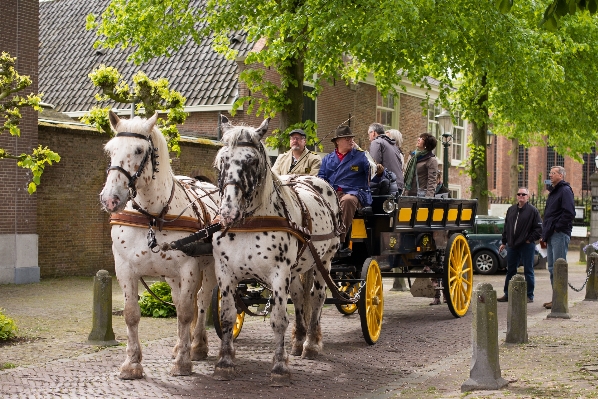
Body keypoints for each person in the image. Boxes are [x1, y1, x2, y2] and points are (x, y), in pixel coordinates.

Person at [318, 125, 372, 255]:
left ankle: (340, 241)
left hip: (353, 193)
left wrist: (379, 171)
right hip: (332, 193)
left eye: (351, 138)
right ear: (337, 141)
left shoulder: (361, 156)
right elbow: (321, 178)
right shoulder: (327, 158)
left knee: (347, 201)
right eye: (347, 138)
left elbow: (373, 171)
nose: (350, 140)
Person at [497, 187, 542, 304]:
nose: (521, 196)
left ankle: (529, 295)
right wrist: (504, 242)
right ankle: (507, 294)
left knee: (528, 270)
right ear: (517, 196)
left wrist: (529, 239)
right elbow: (506, 227)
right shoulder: (511, 210)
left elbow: (538, 228)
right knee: (510, 270)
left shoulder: (533, 211)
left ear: (528, 196)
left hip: (527, 245)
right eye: (519, 194)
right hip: (512, 245)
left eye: (524, 194)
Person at [541, 165, 575, 309]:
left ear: (561, 175)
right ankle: (556, 297)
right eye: (550, 173)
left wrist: (556, 228)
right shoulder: (554, 192)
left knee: (559, 267)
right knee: (551, 268)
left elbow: (569, 213)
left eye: (553, 173)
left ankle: (560, 300)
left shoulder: (565, 190)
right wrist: (545, 233)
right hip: (551, 234)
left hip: (559, 234)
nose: (550, 175)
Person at [368, 123, 404, 194]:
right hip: (398, 184)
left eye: (368, 134)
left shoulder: (376, 142)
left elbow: (374, 166)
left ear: (373, 133)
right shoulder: (393, 145)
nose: (368, 137)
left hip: (386, 185)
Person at [404, 133, 439, 197]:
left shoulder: (431, 160)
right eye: (419, 137)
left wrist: (428, 199)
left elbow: (432, 182)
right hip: (408, 194)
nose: (418, 139)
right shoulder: (413, 156)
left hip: (420, 197)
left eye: (422, 139)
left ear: (426, 144)